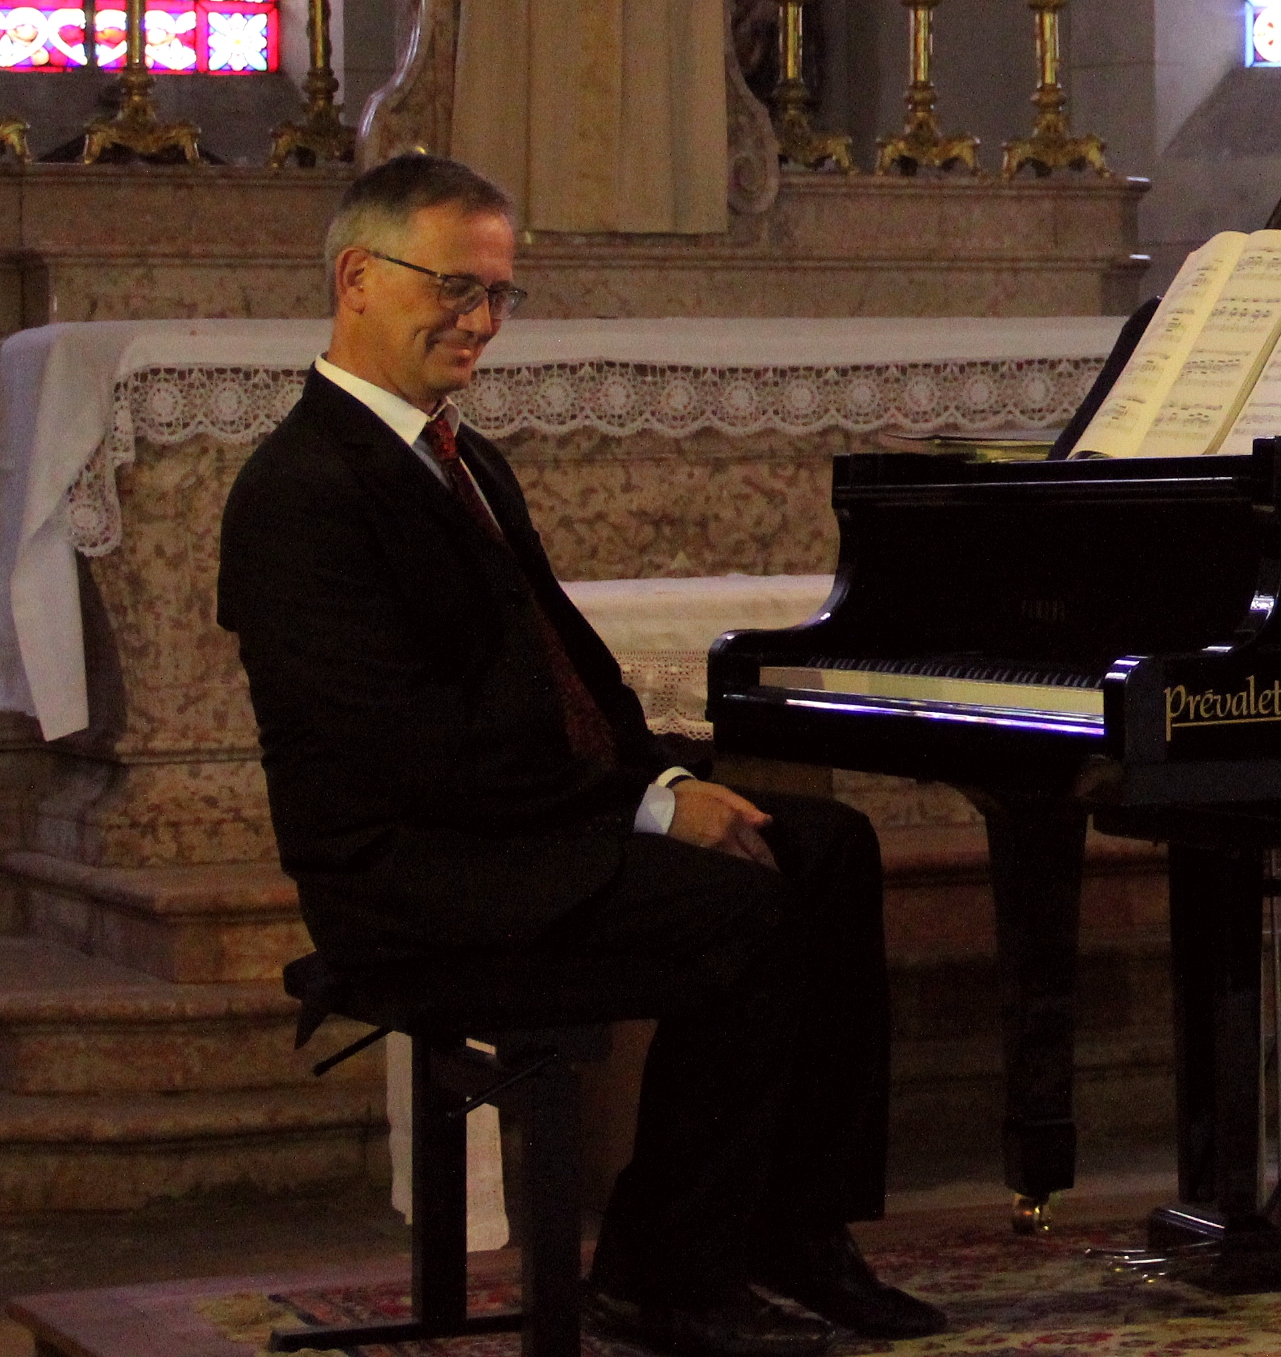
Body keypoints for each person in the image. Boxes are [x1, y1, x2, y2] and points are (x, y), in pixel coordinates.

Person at [218, 155, 942, 1357]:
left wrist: (658, 777)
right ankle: (667, 1274)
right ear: (357, 277)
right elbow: (410, 758)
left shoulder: (460, 455)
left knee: (828, 846)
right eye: (456, 288)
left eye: (499, 295)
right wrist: (648, 815)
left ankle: (795, 1231)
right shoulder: (302, 489)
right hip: (410, 864)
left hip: (517, 828)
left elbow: (572, 668)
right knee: (743, 911)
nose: (480, 322)